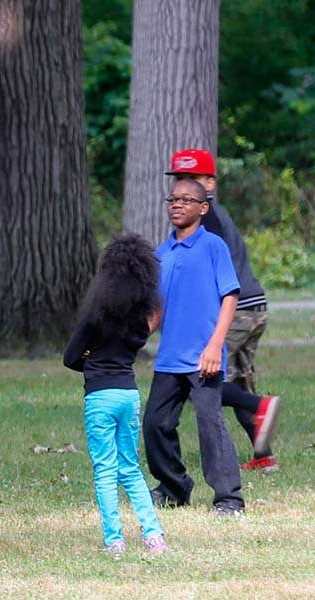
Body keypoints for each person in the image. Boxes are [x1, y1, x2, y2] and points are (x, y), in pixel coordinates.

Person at [166, 149, 281, 471]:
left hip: (237, 308)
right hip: (254, 307)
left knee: (202, 381)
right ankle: (263, 455)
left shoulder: (206, 221)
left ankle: (260, 406)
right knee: (238, 383)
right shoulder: (216, 215)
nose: (184, 187)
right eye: (179, 179)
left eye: (193, 179)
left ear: (211, 183)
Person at [143, 178, 245, 515]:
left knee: (209, 425)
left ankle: (229, 498)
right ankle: (174, 487)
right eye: (173, 199)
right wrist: (134, 338)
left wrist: (215, 346)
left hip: (205, 358)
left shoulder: (213, 246)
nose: (177, 204)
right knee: (155, 424)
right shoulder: (162, 252)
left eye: (186, 200)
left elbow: (229, 297)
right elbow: (157, 309)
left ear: (203, 208)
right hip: (169, 358)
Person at [64, 233, 166, 555]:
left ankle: (114, 540)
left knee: (105, 470)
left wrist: (92, 365)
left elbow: (70, 358)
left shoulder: (94, 318)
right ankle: (153, 535)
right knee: (131, 467)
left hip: (100, 399)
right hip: (129, 395)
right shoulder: (139, 323)